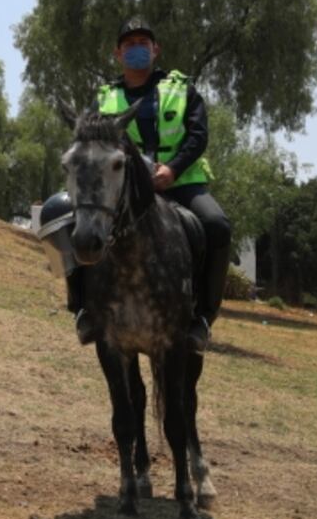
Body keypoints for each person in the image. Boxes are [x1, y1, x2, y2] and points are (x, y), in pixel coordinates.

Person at [69, 18, 232, 353]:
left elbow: (198, 135)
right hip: (123, 190)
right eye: (129, 44)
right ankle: (82, 307)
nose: (137, 49)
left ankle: (202, 316)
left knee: (216, 225)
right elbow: (87, 145)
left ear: (155, 49)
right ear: (118, 53)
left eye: (143, 42)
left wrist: (172, 170)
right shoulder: (104, 99)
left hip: (181, 182)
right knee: (63, 216)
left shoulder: (182, 88)